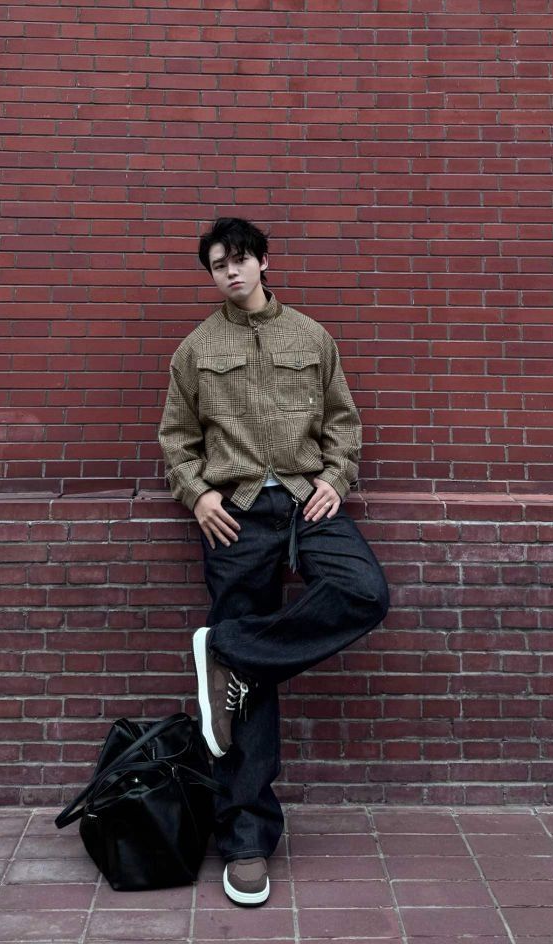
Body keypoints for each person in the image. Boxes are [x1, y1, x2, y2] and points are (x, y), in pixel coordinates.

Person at [158, 217, 390, 907]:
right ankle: (246, 838)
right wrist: (197, 494)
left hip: (305, 503)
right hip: (234, 515)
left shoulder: (311, 338)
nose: (230, 272)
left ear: (263, 262)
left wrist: (335, 478)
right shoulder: (196, 350)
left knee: (364, 591)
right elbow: (176, 439)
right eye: (217, 265)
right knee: (248, 697)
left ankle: (230, 651)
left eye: (240, 259)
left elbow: (343, 424)